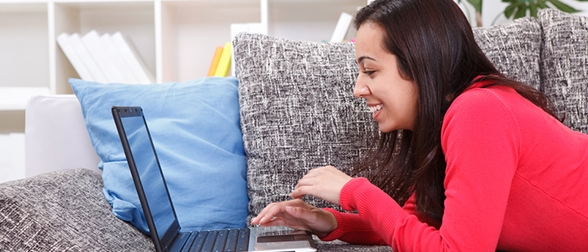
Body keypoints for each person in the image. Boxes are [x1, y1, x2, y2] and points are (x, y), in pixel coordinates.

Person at [251, 0, 588, 250]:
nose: (358, 88)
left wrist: (355, 191)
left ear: (420, 63)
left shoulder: (479, 111)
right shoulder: (451, 119)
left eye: (370, 71)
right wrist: (325, 220)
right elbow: (413, 224)